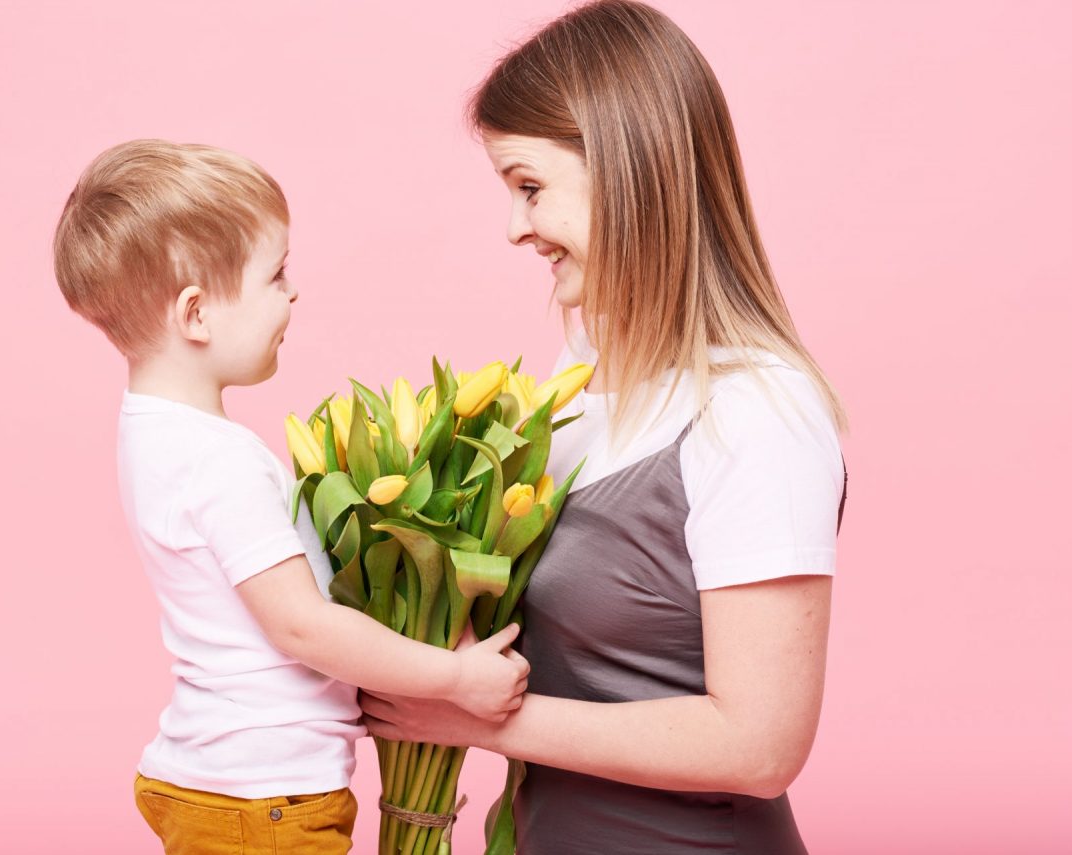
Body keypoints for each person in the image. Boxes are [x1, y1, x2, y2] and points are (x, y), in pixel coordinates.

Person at [360, 2, 847, 852]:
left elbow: (761, 746)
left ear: (627, 170)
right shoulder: (580, 380)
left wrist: (474, 719)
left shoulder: (759, 411)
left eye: (531, 186)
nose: (516, 228)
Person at [51, 139, 528, 855]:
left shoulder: (154, 433)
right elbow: (302, 627)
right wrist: (454, 677)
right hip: (261, 799)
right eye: (275, 275)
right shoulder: (217, 458)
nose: (293, 292)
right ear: (196, 315)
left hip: (222, 782)